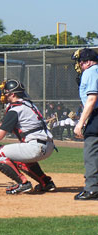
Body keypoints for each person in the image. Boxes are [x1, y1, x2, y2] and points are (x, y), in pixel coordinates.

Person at [0, 79, 56, 194]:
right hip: (48, 146)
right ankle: (46, 182)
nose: (4, 95)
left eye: (6, 92)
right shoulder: (29, 104)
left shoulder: (15, 109)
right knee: (21, 158)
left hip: (36, 146)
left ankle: (23, 183)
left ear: (13, 94)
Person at [71, 48, 98, 200]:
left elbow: (92, 99)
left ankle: (92, 189)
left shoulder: (91, 71)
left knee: (91, 151)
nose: (79, 65)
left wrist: (80, 123)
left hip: (96, 115)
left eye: (80, 62)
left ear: (87, 62)